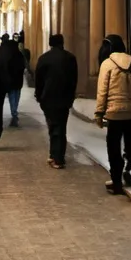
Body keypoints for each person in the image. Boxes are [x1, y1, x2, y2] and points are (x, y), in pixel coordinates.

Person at [94, 33, 131, 194]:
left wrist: (99, 113)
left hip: (114, 112)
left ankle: (117, 180)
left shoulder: (107, 64)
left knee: (113, 146)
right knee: (130, 142)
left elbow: (102, 90)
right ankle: (128, 164)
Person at [34, 34, 78, 169]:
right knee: (61, 127)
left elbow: (38, 79)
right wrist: (71, 97)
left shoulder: (44, 59)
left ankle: (57, 158)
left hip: (48, 98)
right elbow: (73, 80)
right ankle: (56, 155)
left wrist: (39, 95)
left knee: (53, 127)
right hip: (64, 98)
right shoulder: (70, 58)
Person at [0, 34, 26, 127]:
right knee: (16, 97)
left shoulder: (7, 56)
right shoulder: (20, 55)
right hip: (18, 81)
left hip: (10, 81)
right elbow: (23, 67)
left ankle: (14, 113)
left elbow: (4, 68)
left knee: (12, 97)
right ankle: (14, 113)